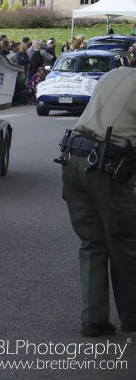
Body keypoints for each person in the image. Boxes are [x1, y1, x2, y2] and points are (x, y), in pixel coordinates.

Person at [60, 66, 136, 336]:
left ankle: (94, 320)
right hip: (107, 167)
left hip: (73, 159)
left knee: (92, 243)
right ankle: (132, 317)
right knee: (125, 244)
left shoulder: (113, 74)